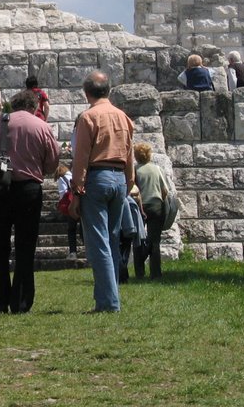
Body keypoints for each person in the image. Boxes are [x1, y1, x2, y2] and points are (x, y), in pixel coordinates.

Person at [0, 89, 60, 314]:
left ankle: (0, 301)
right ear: (34, 107)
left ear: (13, 105)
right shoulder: (41, 126)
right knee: (25, 247)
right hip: (28, 189)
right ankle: (21, 301)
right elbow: (52, 162)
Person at [70, 70, 135, 312]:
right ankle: (107, 297)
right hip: (119, 178)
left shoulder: (88, 117)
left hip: (97, 177)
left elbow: (81, 157)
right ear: (108, 90)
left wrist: (77, 190)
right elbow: (129, 153)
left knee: (99, 243)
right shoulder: (123, 117)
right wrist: (129, 181)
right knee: (113, 239)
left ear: (86, 93)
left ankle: (109, 302)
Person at [134, 142, 171, 279]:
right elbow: (165, 191)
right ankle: (156, 273)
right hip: (156, 206)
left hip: (140, 207)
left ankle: (139, 271)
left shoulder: (135, 170)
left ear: (136, 156)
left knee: (138, 239)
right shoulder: (157, 169)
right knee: (155, 241)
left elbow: (133, 190)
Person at [118, 186, 146, 284]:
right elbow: (138, 198)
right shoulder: (132, 193)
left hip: (120, 227)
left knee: (121, 251)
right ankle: (123, 275)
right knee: (124, 252)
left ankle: (122, 275)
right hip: (128, 227)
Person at [54, 163, 81, 258]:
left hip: (71, 206)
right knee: (83, 228)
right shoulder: (73, 175)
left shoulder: (62, 178)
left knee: (71, 229)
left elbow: (63, 194)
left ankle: (73, 252)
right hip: (80, 204)